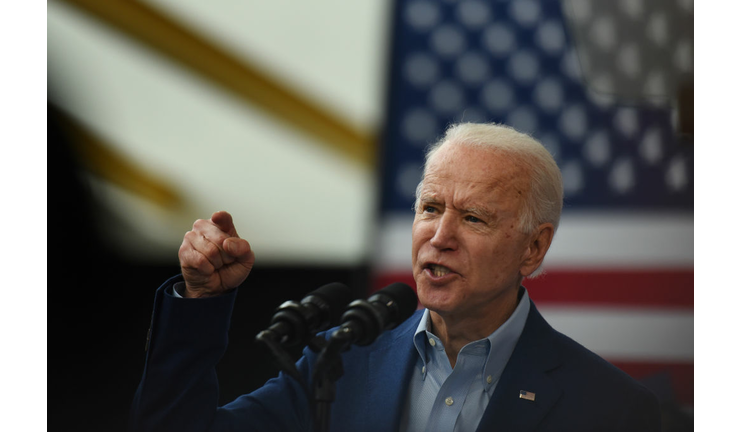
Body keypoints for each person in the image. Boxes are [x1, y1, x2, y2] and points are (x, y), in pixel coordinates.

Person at [129, 123, 660, 431]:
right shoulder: (338, 364)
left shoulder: (611, 408)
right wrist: (200, 300)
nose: (440, 235)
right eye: (430, 208)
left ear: (534, 247)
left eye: (473, 218)